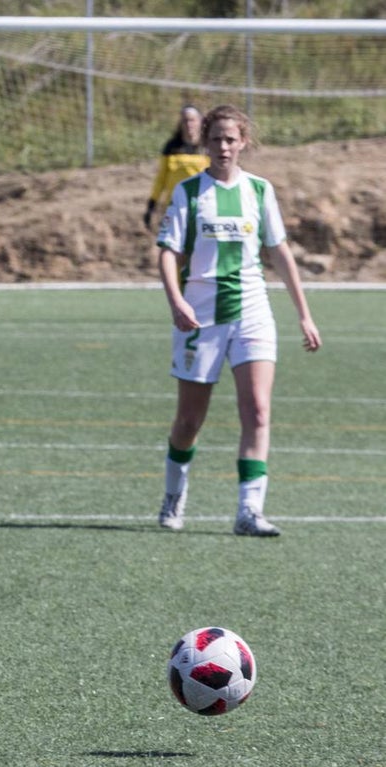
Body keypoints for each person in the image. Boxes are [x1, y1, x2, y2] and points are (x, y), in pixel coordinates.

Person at [155, 104, 322, 536]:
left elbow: (279, 252)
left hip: (252, 311)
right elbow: (169, 252)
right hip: (202, 316)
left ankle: (249, 511)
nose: (224, 147)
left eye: (231, 139)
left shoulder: (260, 191)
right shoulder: (189, 192)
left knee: (259, 410)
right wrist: (176, 302)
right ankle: (174, 495)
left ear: (243, 142)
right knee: (190, 421)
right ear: (205, 143)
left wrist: (304, 314)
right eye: (216, 139)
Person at [143, 105, 209, 232]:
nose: (189, 124)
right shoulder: (172, 147)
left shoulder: (207, 147)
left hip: (202, 208)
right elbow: (161, 178)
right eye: (185, 120)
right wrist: (152, 204)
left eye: (192, 120)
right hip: (175, 206)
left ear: (200, 121)